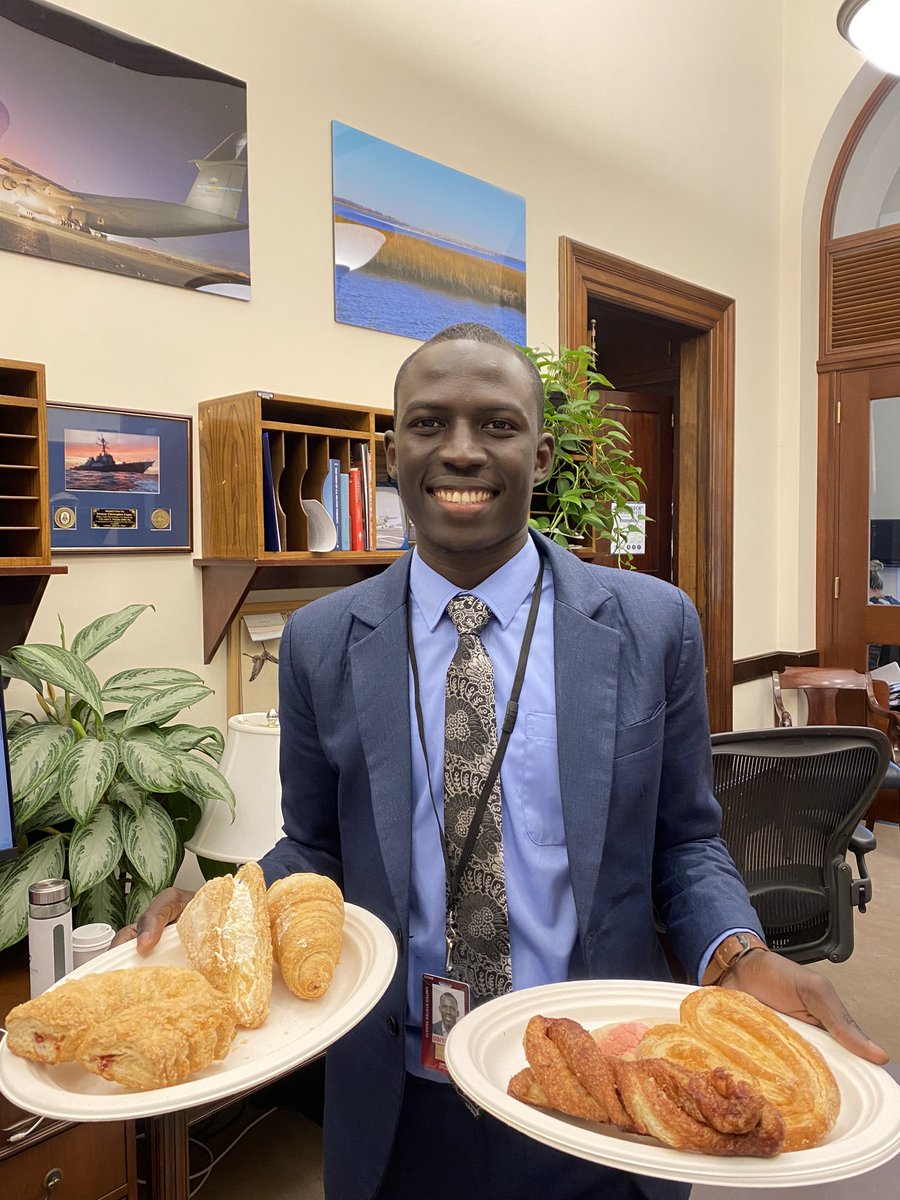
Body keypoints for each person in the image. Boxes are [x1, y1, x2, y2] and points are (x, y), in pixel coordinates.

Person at [120, 324, 887, 1200]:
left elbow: (685, 842)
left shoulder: (652, 625)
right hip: (402, 1099)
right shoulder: (322, 642)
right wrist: (226, 906)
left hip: (599, 1090)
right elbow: (317, 849)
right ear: (390, 447)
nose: (460, 451)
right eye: (427, 423)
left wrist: (736, 949)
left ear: (543, 452)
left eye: (496, 425)